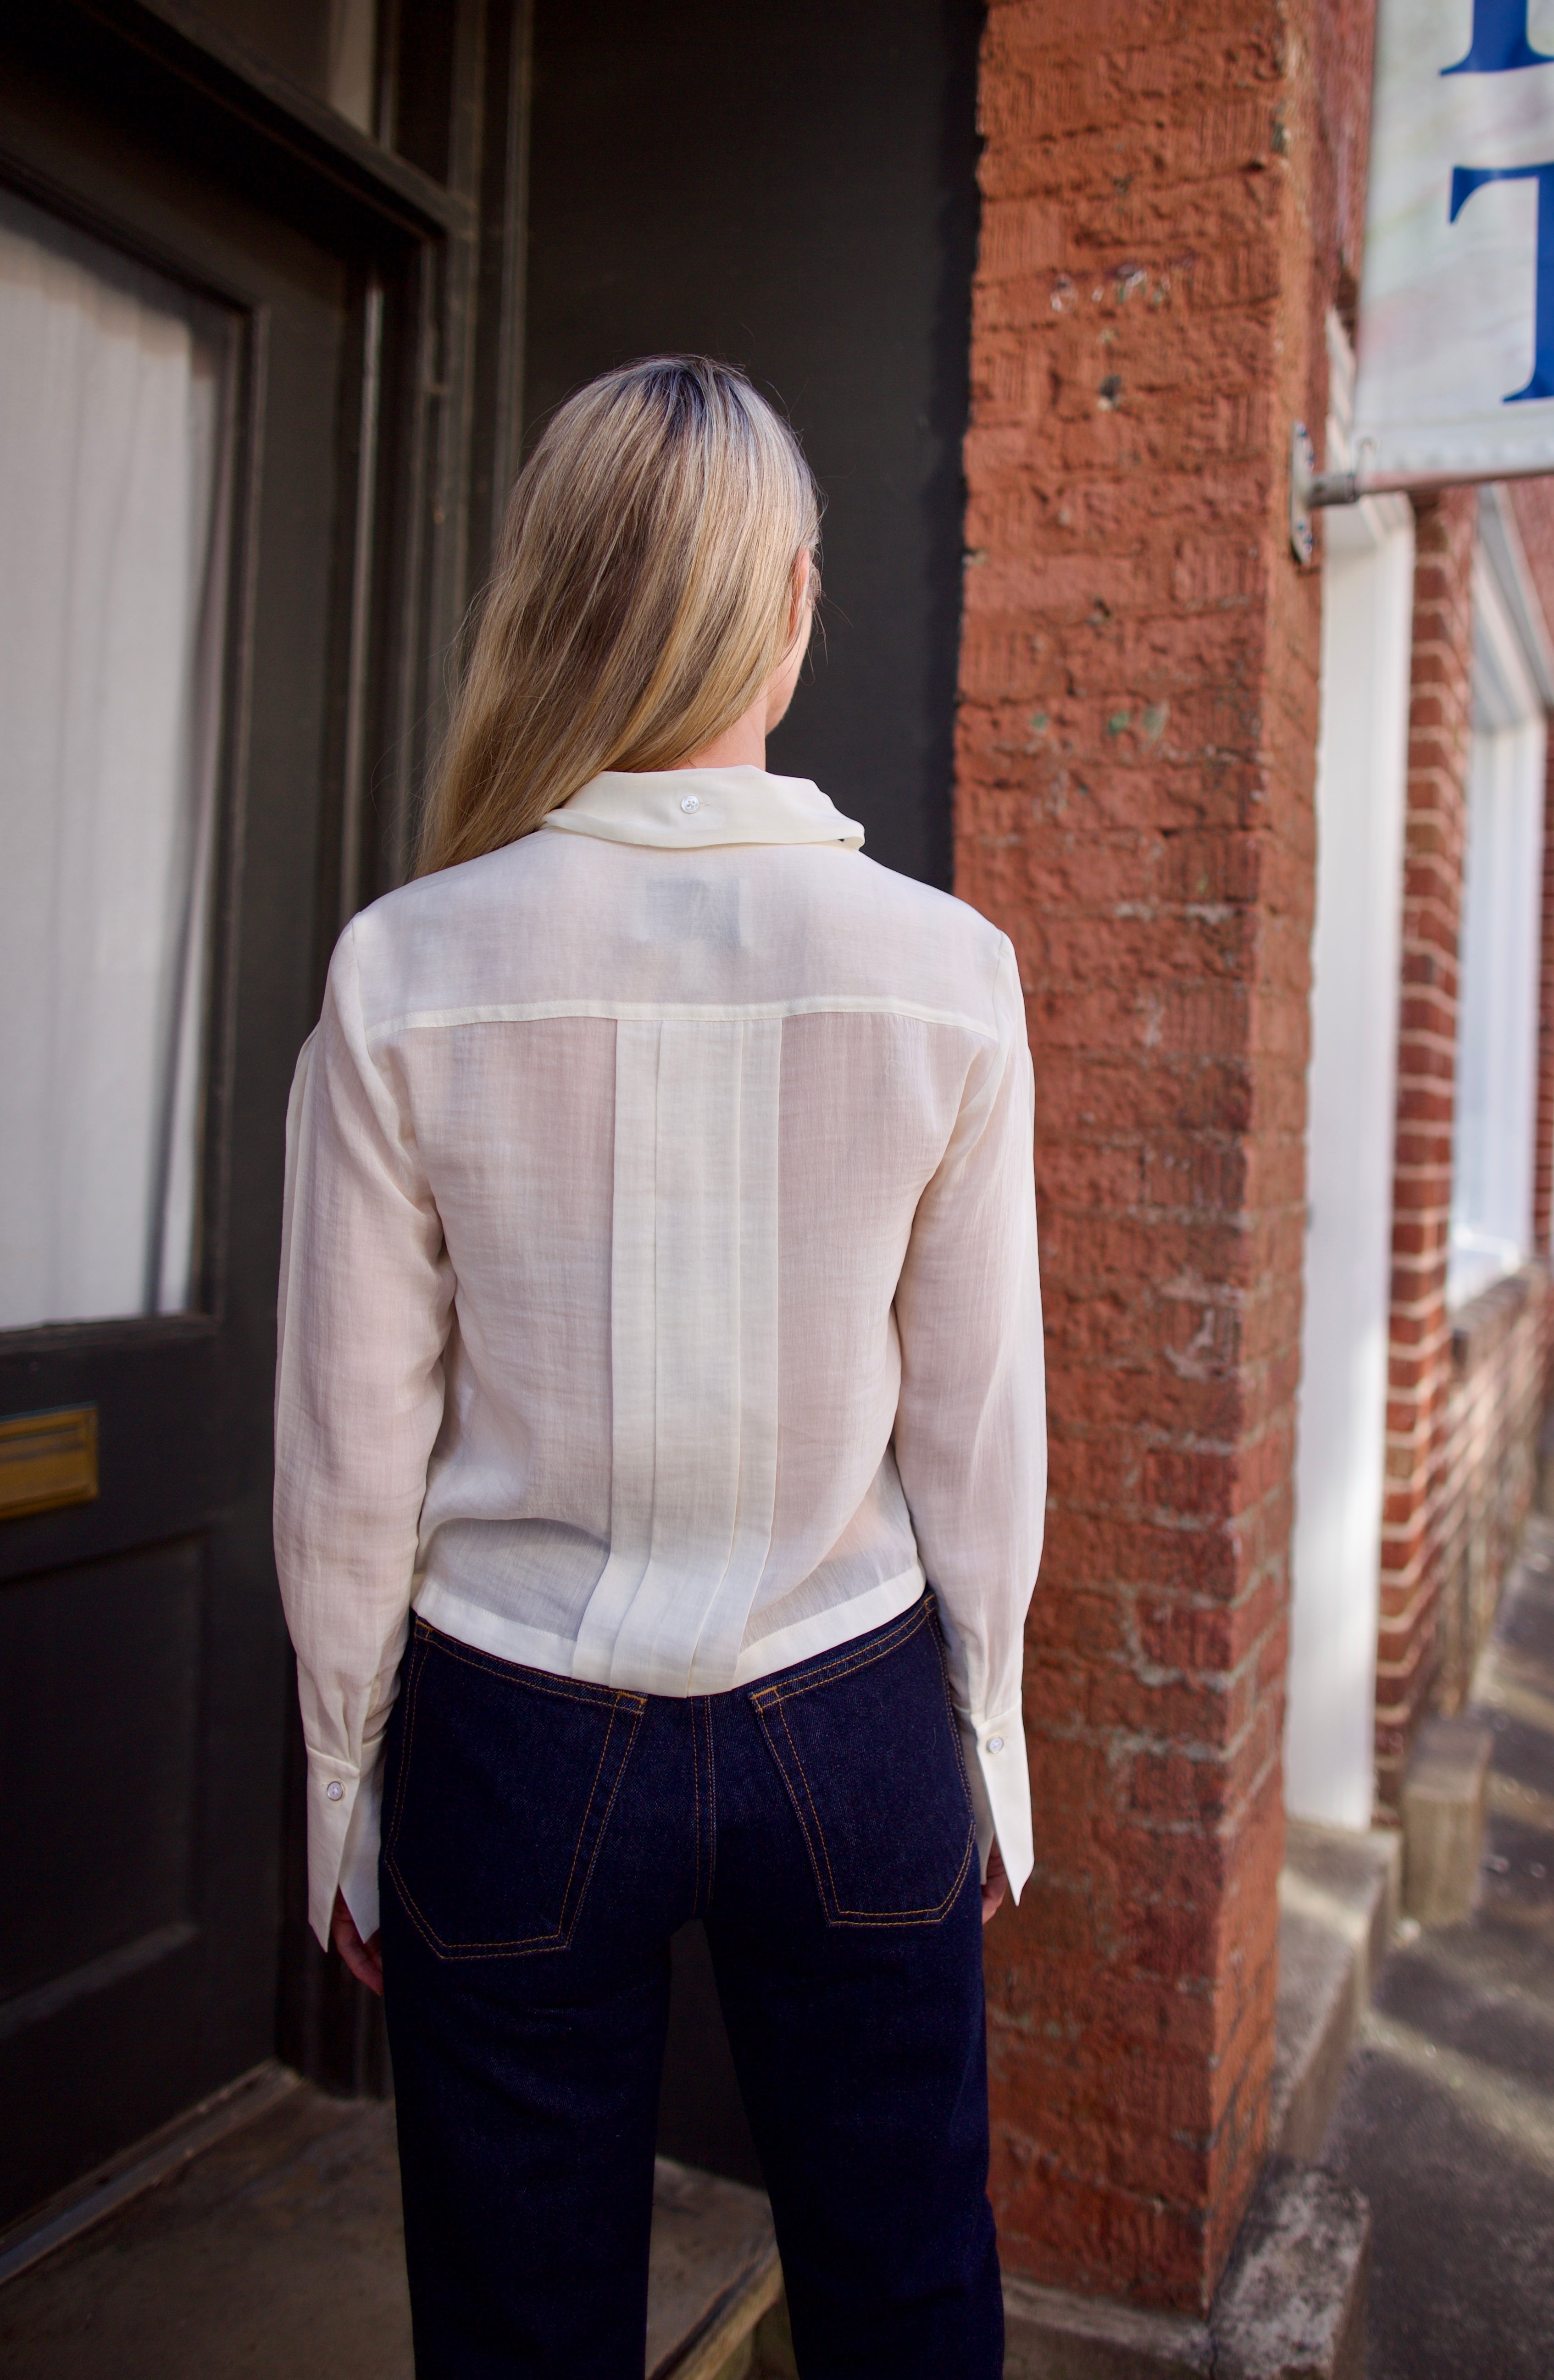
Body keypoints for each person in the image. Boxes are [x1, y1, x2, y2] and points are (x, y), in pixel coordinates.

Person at [274, 356, 1045, 2379]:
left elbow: (352, 1453)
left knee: (516, 2332)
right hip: (855, 1711)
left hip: (516, 1740)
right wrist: (989, 1734)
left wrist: (346, 1780)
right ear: (789, 599)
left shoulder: (407, 964)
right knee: (906, 2298)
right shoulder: (944, 971)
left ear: (563, 596)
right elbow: (973, 1429)